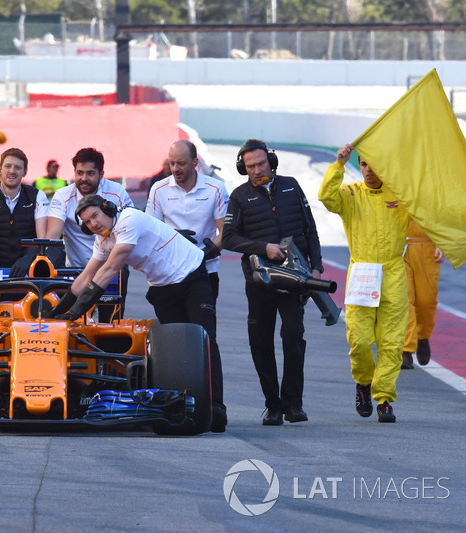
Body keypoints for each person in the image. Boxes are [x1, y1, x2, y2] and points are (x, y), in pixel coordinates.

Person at [44, 194, 227, 433]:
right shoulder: (103, 240)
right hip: (162, 286)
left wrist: (77, 311)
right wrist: (58, 311)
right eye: (87, 223)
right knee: (175, 348)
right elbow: (85, 278)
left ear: (108, 209)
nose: (94, 224)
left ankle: (215, 407)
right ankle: (184, 404)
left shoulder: (128, 220)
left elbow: (110, 269)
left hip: (191, 275)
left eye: (95, 216)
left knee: (204, 339)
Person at [222, 139, 322, 426]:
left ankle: (293, 404)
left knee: (293, 337)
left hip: (296, 280)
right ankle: (273, 405)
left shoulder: (291, 186)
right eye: (250, 166)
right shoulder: (239, 196)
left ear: (272, 162)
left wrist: (317, 268)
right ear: (244, 168)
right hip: (260, 281)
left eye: (260, 164)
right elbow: (229, 237)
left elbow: (310, 229)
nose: (256, 170)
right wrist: (262, 247)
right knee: (260, 342)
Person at [319, 144, 410, 423]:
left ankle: (384, 399)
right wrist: (338, 165)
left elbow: (431, 203)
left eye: (374, 164)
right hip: (363, 273)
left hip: (393, 273)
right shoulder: (351, 194)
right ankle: (363, 383)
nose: (369, 170)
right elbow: (326, 197)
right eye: (364, 164)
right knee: (359, 341)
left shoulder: (401, 195)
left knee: (391, 342)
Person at [45, 147, 133, 321]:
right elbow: (52, 237)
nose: (84, 179)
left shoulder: (117, 192)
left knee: (110, 325)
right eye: (80, 173)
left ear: (102, 174)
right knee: (74, 323)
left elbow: (131, 227)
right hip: (77, 270)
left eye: (91, 173)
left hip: (113, 267)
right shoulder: (62, 196)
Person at [146, 140, 229, 304]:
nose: (175, 169)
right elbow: (149, 231)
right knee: (172, 328)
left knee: (203, 328)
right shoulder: (158, 188)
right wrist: (172, 237)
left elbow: (226, 232)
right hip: (169, 270)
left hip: (206, 270)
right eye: (172, 163)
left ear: (195, 162)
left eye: (181, 163)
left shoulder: (216, 188)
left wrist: (204, 254)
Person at [0, 147, 49, 279]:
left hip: (27, 271)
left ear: (25, 171)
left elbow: (42, 238)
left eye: (17, 167)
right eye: (8, 166)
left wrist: (28, 259)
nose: (12, 171)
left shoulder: (37, 196)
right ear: (0, 169)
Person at [402, 221, 444, 369]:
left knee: (426, 301)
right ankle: (406, 349)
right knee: (405, 300)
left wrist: (443, 243)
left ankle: (423, 336)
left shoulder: (435, 196)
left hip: (428, 248)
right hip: (400, 248)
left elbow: (444, 214)